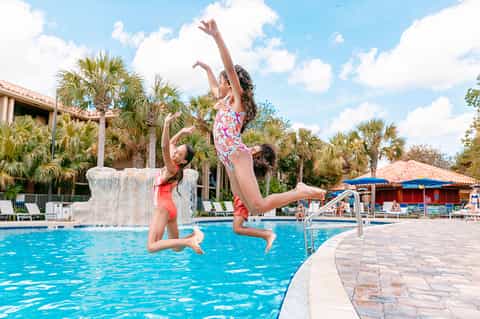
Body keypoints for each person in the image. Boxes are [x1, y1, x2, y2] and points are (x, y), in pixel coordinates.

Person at [193, 19, 325, 217]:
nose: (218, 87)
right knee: (252, 208)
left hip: (237, 155)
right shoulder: (225, 100)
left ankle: (300, 191)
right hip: (227, 159)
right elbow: (214, 89)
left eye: (222, 82)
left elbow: (229, 68)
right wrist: (208, 70)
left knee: (260, 205)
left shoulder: (237, 101)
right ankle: (299, 191)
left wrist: (217, 37)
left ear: (230, 84)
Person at [147, 113, 204, 254]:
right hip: (170, 208)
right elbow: (172, 143)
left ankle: (188, 241)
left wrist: (166, 124)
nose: (175, 154)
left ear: (184, 161)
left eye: (179, 154)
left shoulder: (172, 168)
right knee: (176, 248)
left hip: (163, 207)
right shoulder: (176, 165)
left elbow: (165, 146)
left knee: (152, 246)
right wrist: (182, 132)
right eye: (177, 151)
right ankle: (194, 237)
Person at [232, 144, 277, 253]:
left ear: (258, 157)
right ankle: (267, 234)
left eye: (255, 150)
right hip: (241, 193)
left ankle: (267, 234)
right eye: (253, 147)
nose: (251, 149)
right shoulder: (247, 160)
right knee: (237, 228)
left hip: (243, 194)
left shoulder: (249, 163)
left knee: (237, 228)